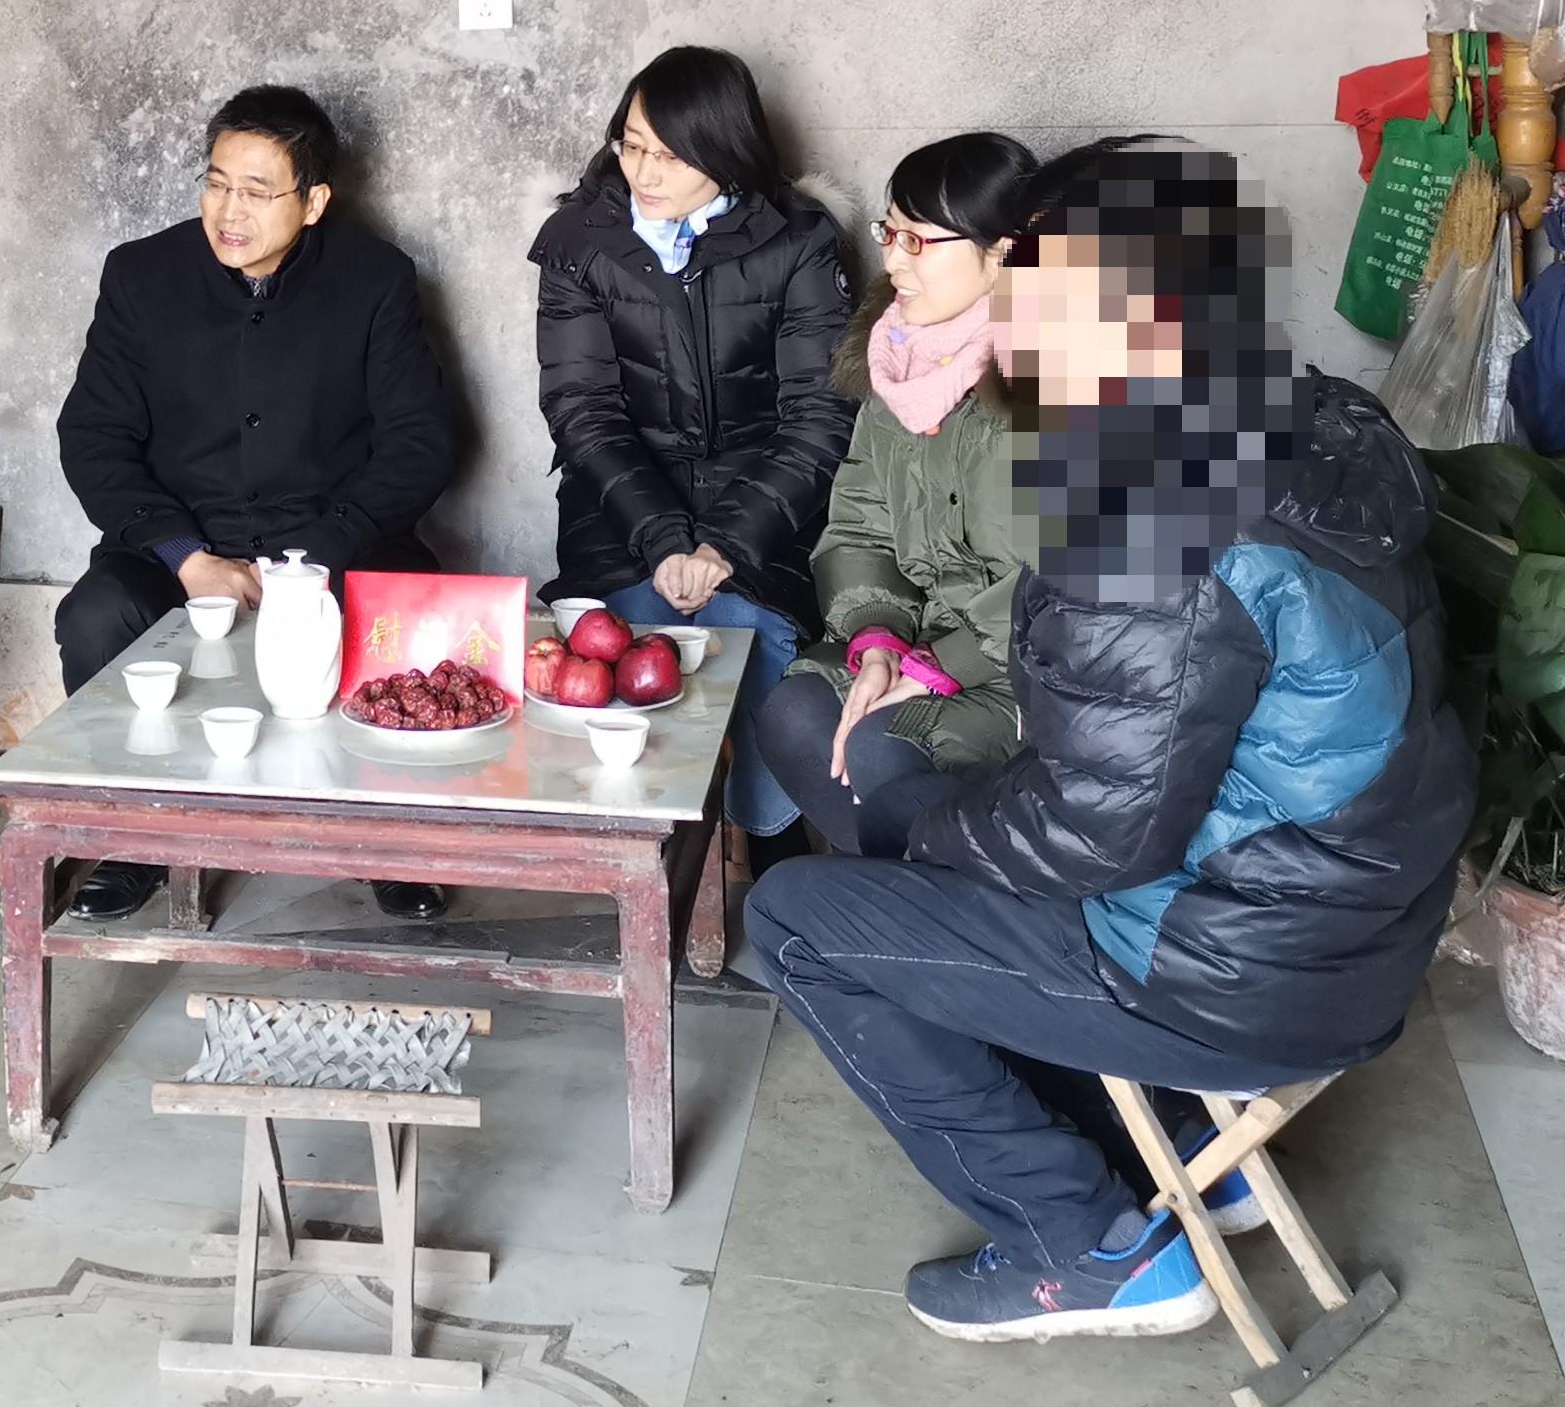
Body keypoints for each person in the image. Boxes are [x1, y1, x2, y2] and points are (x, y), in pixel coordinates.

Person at [744, 141, 1472, 1343]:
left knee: (804, 920)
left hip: (1232, 974)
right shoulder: (1305, 424)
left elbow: (1093, 833)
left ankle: (1078, 1244)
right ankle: (1174, 1152)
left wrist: (926, 840)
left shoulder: (1146, 510)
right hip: (1357, 935)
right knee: (908, 842)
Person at [55, 84, 459, 922]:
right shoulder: (140, 276)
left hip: (336, 541)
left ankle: (390, 838)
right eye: (216, 183)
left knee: (418, 615)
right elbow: (92, 437)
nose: (228, 211)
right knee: (96, 615)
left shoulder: (374, 280)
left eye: (256, 191)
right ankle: (137, 838)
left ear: (313, 202)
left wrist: (316, 557)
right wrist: (185, 557)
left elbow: (421, 442)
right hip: (179, 546)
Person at [529, 45, 855, 856]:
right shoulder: (579, 241)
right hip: (621, 506)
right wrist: (665, 541)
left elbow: (819, 418)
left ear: (726, 151)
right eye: (632, 145)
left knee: (752, 633)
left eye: (672, 156)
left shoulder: (799, 240)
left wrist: (726, 547)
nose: (645, 171)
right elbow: (583, 412)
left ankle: (770, 847)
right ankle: (644, 861)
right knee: (624, 639)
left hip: (768, 508)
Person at [747, 132, 1036, 860]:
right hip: (926, 641)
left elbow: (1079, 581)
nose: (892, 261)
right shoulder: (901, 361)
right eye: (889, 232)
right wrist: (877, 641)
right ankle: (916, 901)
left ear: (1003, 251)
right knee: (795, 711)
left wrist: (941, 667)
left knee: (885, 744)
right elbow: (861, 527)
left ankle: (925, 912)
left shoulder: (1063, 380)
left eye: (918, 241)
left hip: (1041, 668)